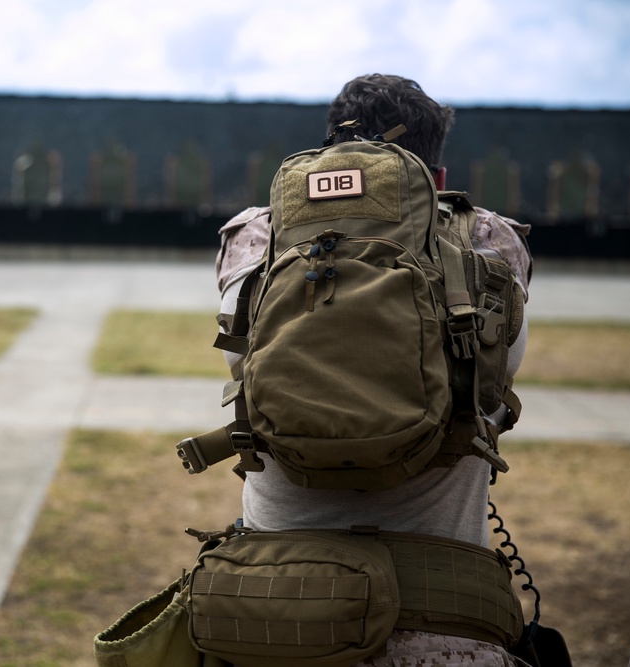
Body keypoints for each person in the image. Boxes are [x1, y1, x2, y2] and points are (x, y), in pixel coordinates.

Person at [215, 74, 534, 665]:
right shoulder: (493, 241)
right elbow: (500, 374)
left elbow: (238, 357)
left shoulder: (256, 237)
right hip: (446, 611)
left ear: (331, 148)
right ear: (436, 178)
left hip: (272, 611)